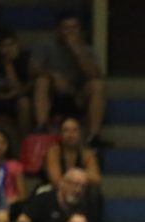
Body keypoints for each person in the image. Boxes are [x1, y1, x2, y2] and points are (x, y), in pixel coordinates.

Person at [31, 12, 106, 143]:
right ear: (58, 30)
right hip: (53, 96)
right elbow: (32, 70)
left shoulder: (88, 50)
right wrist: (52, 75)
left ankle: (94, 135)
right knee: (41, 81)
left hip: (77, 96)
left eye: (74, 27)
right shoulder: (46, 46)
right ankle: (42, 126)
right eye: (66, 28)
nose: (71, 31)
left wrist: (76, 50)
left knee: (97, 85)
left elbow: (95, 74)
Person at [19, 168, 104, 222]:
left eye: (83, 186)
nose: (78, 190)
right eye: (75, 184)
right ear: (62, 183)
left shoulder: (87, 205)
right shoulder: (44, 199)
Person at [44, 117, 101, 189]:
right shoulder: (53, 152)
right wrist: (80, 177)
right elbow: (56, 180)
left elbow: (96, 178)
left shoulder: (87, 154)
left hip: (79, 189)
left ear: (80, 133)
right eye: (66, 130)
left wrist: (76, 176)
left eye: (74, 130)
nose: (70, 134)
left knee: (94, 192)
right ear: (60, 133)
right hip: (54, 190)